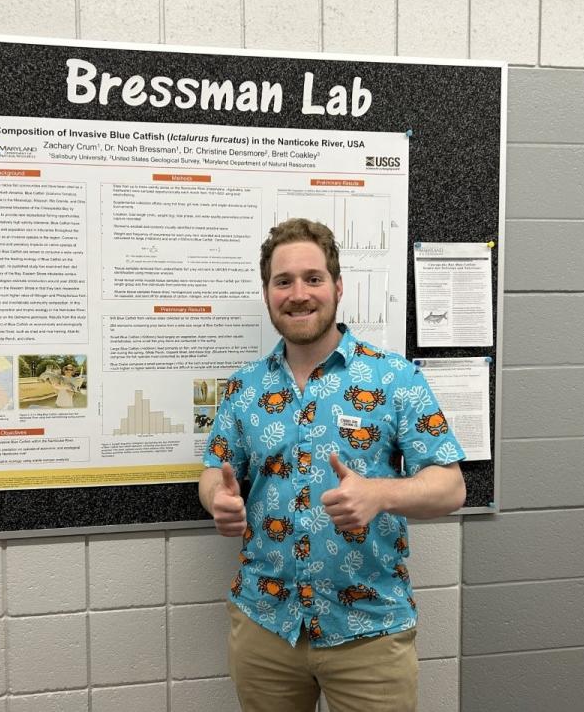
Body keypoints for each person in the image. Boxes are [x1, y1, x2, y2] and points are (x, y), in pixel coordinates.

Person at [199, 218, 466, 712]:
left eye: (313, 278)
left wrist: (381, 494)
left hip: (368, 631)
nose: (298, 294)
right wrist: (217, 497)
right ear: (267, 294)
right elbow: (216, 468)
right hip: (266, 627)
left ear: (338, 287)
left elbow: (450, 487)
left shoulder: (393, 377)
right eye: (283, 282)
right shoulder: (243, 389)